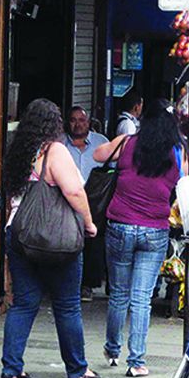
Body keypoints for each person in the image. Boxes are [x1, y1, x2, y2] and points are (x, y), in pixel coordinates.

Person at [0, 98, 99, 378]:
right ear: (54, 124)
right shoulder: (55, 151)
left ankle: (12, 368)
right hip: (56, 237)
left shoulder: (19, 151)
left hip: (19, 234)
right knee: (67, 305)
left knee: (23, 304)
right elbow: (74, 192)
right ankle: (77, 369)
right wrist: (89, 223)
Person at [94, 98, 187, 377]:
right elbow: (184, 182)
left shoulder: (126, 143)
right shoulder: (177, 152)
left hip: (120, 225)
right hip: (155, 230)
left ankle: (112, 350)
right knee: (141, 298)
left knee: (119, 294)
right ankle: (136, 362)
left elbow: (99, 155)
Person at [63, 105, 109, 302]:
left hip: (96, 200)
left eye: (82, 120)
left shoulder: (101, 142)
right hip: (66, 198)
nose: (78, 124)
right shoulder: (59, 144)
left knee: (93, 242)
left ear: (88, 122)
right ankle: (68, 283)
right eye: (73, 120)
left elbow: (113, 170)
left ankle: (88, 284)